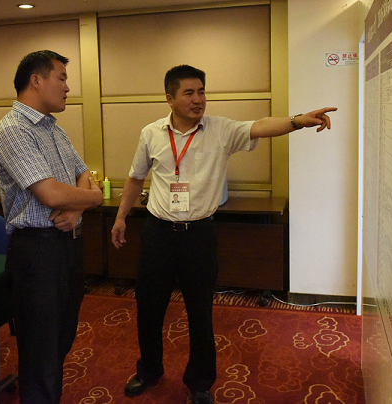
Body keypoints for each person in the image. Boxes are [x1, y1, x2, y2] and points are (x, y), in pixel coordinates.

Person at [111, 64, 336, 404]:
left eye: (202, 91)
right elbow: (135, 178)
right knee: (149, 306)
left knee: (200, 310)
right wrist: (120, 217)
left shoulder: (221, 129)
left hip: (199, 234)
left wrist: (297, 120)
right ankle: (149, 370)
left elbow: (260, 126)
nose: (198, 99)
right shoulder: (151, 133)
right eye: (189, 93)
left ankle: (200, 382)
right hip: (158, 233)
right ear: (170, 98)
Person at [0, 50, 103, 403]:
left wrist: (79, 210)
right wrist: (93, 199)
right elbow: (52, 193)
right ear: (36, 80)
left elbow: (85, 175)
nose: (68, 87)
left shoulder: (54, 129)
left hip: (67, 244)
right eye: (62, 78)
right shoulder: (13, 129)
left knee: (60, 339)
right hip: (37, 251)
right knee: (40, 351)